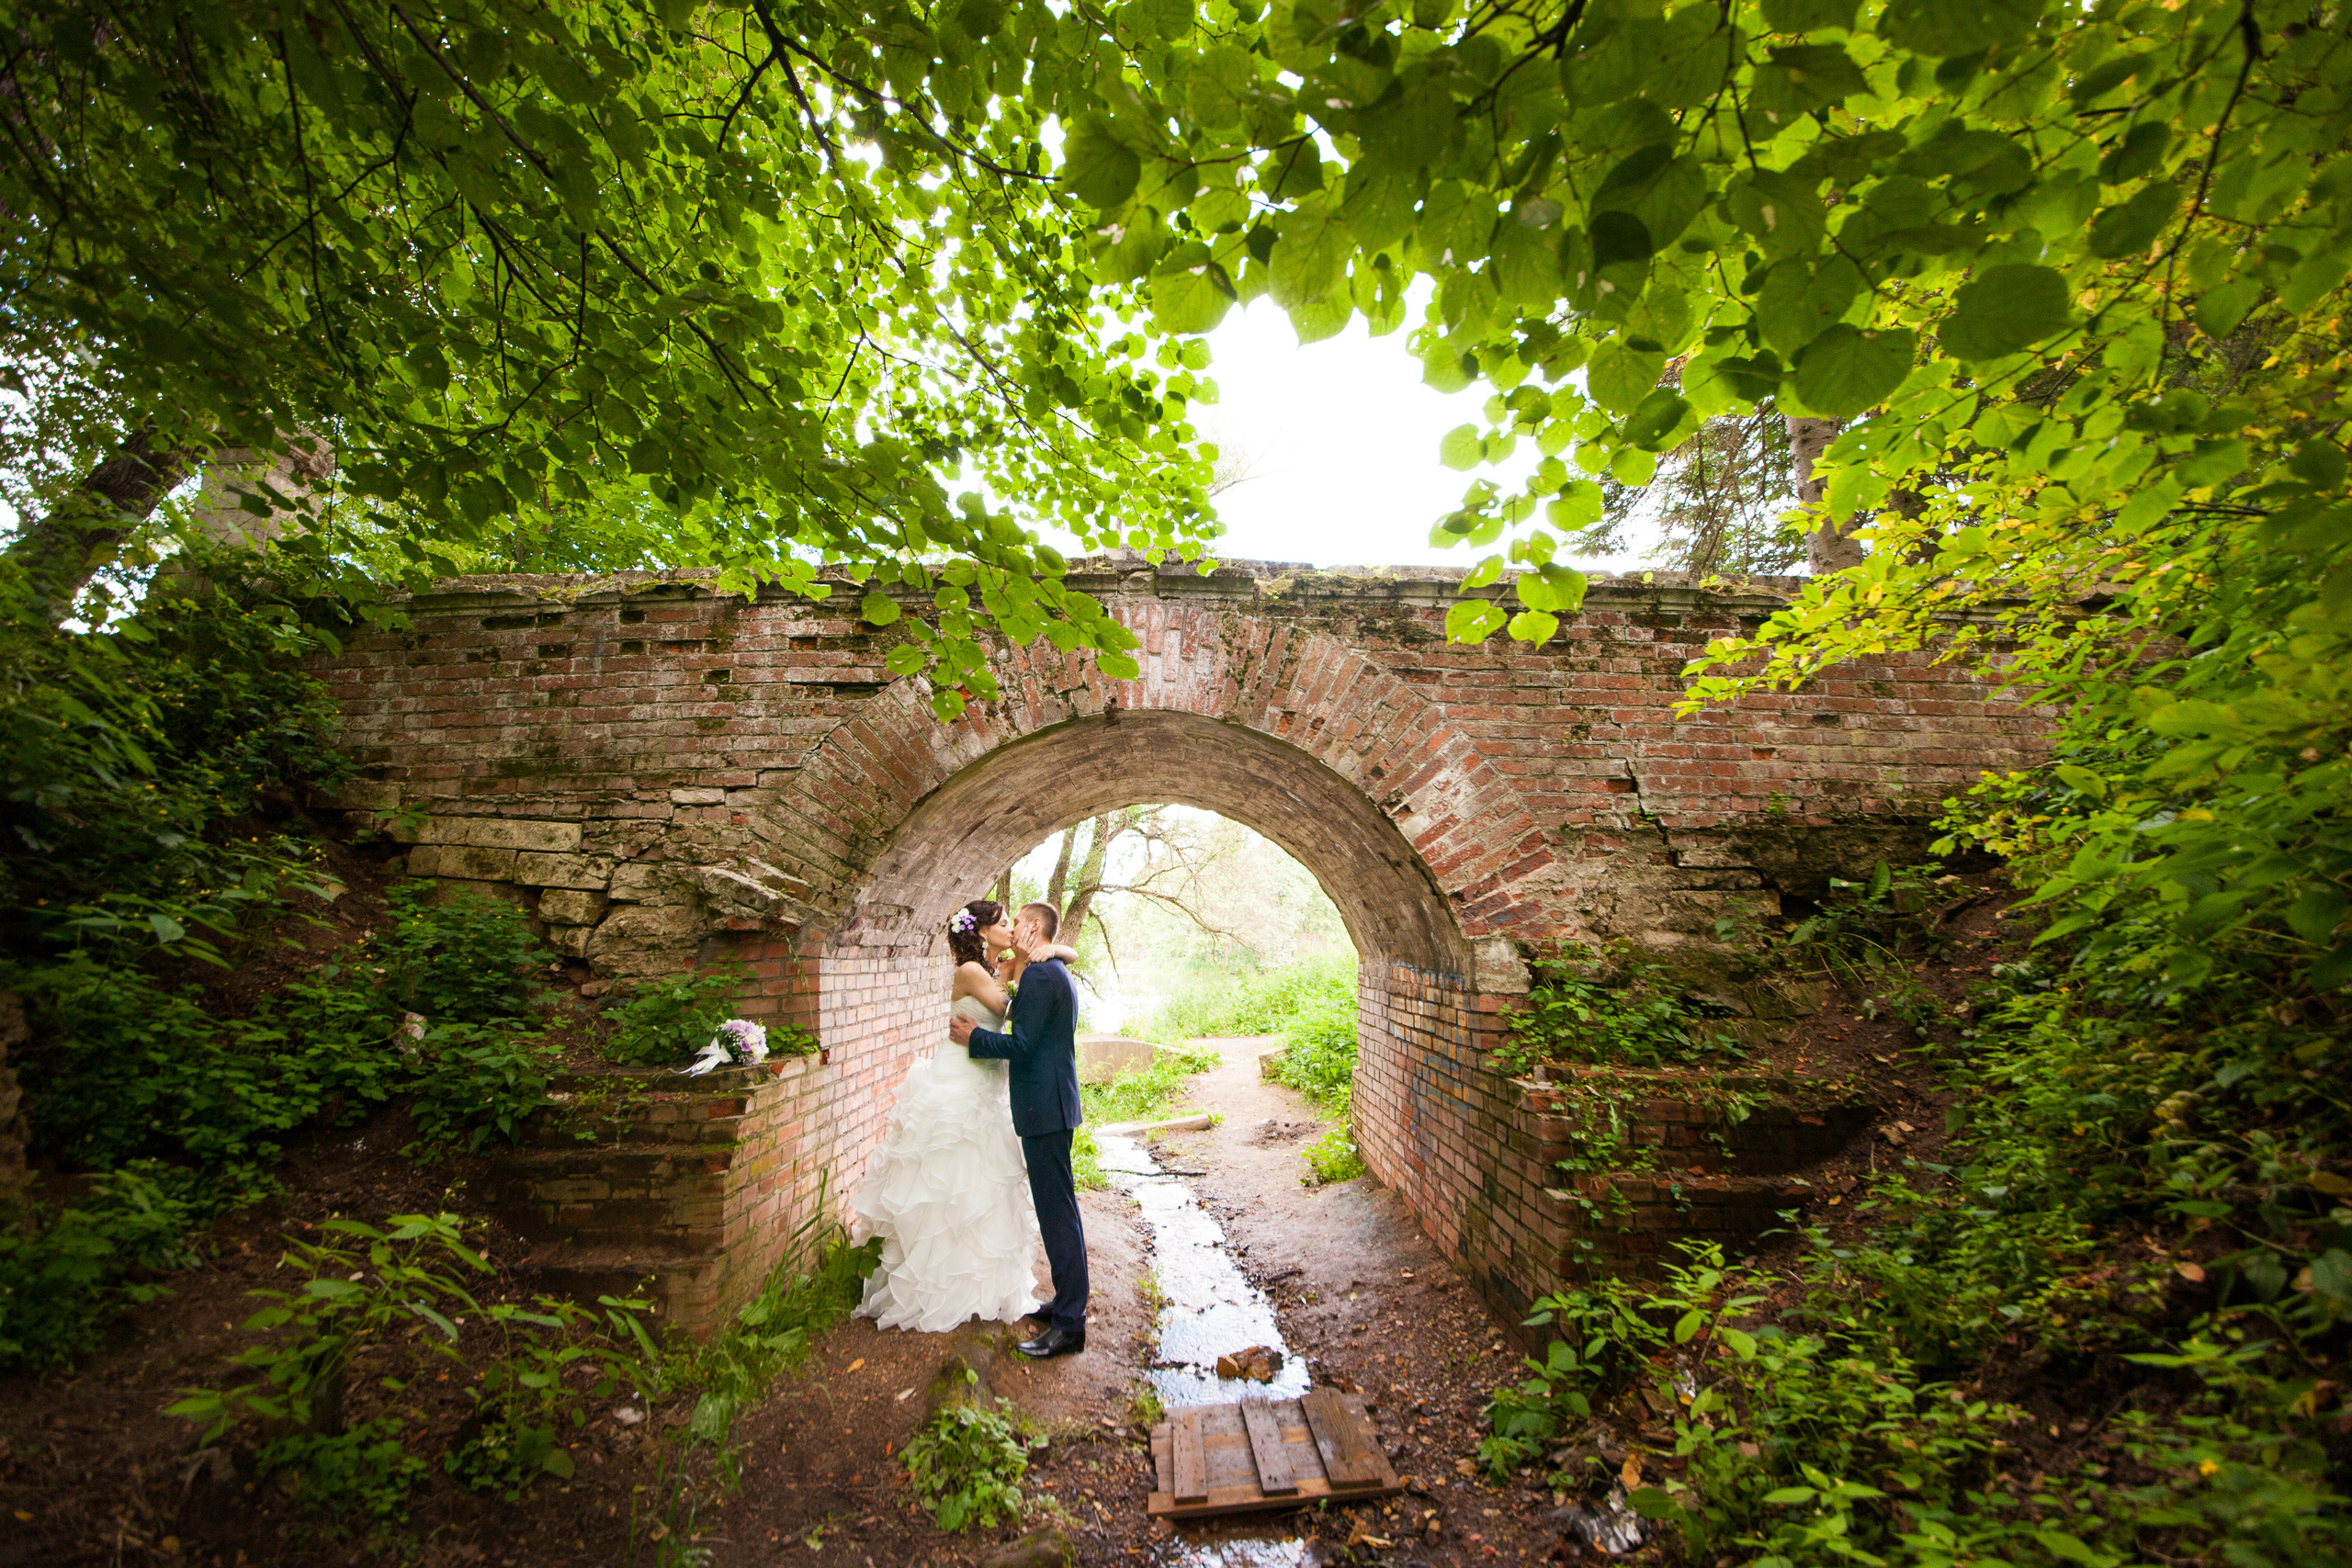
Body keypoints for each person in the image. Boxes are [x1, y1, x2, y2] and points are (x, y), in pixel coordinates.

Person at [846, 898, 1074, 1333]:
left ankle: (979, 1283)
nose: (1011, 928)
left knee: (980, 1183)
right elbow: (1011, 1009)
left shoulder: (999, 968)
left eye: (1016, 922)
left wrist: (1052, 951)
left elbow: (1044, 970)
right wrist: (1032, 957)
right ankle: (936, 1283)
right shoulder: (972, 972)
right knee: (948, 1181)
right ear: (982, 932)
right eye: (1004, 923)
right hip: (959, 1078)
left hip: (985, 1080)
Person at [952, 900, 1089, 1359]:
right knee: (1058, 1210)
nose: (1011, 931)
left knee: (1058, 1214)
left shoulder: (1039, 974)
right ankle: (1066, 1305)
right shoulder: (1049, 970)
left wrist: (975, 1038)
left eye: (1017, 923)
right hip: (1052, 1105)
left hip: (1045, 1109)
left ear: (1033, 928)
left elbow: (1024, 1045)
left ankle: (1071, 1324)